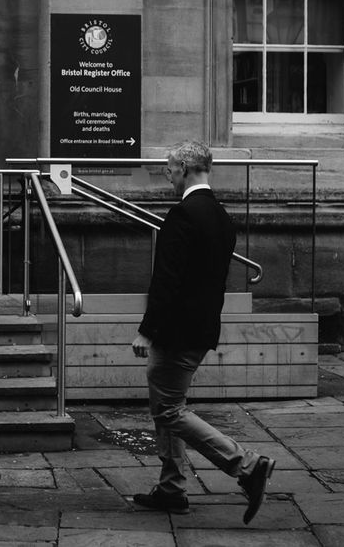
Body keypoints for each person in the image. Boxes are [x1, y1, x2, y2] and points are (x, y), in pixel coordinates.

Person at [131, 140, 275, 524]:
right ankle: (172, 488)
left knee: (168, 409)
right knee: (168, 405)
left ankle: (246, 465)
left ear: (185, 168)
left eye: (170, 167)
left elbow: (168, 280)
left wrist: (147, 330)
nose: (167, 174)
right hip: (201, 328)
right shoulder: (221, 216)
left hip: (176, 332)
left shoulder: (182, 215)